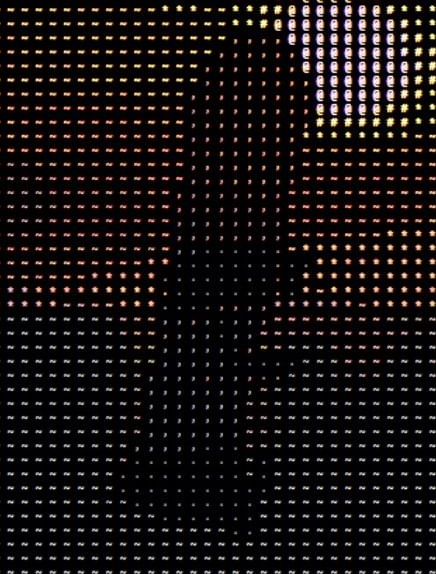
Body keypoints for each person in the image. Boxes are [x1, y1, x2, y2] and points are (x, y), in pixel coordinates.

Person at [124, 27, 312, 529]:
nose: (298, 132)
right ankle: (189, 481)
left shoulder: (234, 181)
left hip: (216, 266)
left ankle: (190, 473)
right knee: (202, 376)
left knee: (204, 375)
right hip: (217, 267)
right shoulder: (239, 184)